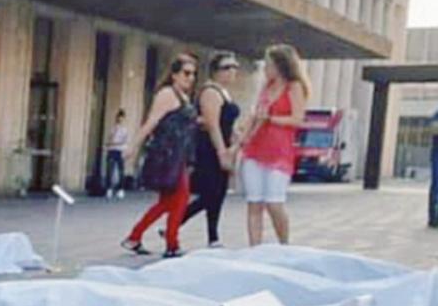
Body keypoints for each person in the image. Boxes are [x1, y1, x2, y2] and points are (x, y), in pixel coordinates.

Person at [122, 53, 199, 258]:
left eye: (193, 74)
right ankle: (171, 244)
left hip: (178, 156)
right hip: (167, 156)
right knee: (179, 199)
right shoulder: (167, 94)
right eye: (186, 73)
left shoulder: (183, 96)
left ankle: (136, 237)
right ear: (174, 74)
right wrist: (133, 147)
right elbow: (151, 122)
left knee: (168, 201)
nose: (190, 78)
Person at [235, 44, 309, 245]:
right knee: (254, 202)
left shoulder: (294, 87)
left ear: (281, 65)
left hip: (279, 152)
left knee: (274, 202)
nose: (266, 69)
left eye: (269, 64)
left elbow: (297, 119)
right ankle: (255, 248)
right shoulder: (266, 87)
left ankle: (284, 244)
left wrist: (272, 119)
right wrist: (244, 133)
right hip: (256, 149)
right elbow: (255, 114)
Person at [179, 52, 243, 248]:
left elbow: (226, 123)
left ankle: (211, 236)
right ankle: (180, 225)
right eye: (227, 67)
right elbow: (212, 124)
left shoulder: (224, 92)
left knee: (218, 192)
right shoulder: (211, 92)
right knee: (211, 192)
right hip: (209, 148)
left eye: (235, 67)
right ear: (216, 71)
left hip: (223, 144)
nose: (232, 71)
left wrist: (235, 138)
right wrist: (221, 152)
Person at [105, 111, 129, 199]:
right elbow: (109, 139)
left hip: (120, 151)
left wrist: (114, 143)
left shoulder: (124, 129)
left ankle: (120, 189)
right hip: (112, 150)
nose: (120, 119)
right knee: (110, 170)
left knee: (121, 170)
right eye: (118, 117)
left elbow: (124, 141)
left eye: (121, 117)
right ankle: (109, 189)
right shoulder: (112, 128)